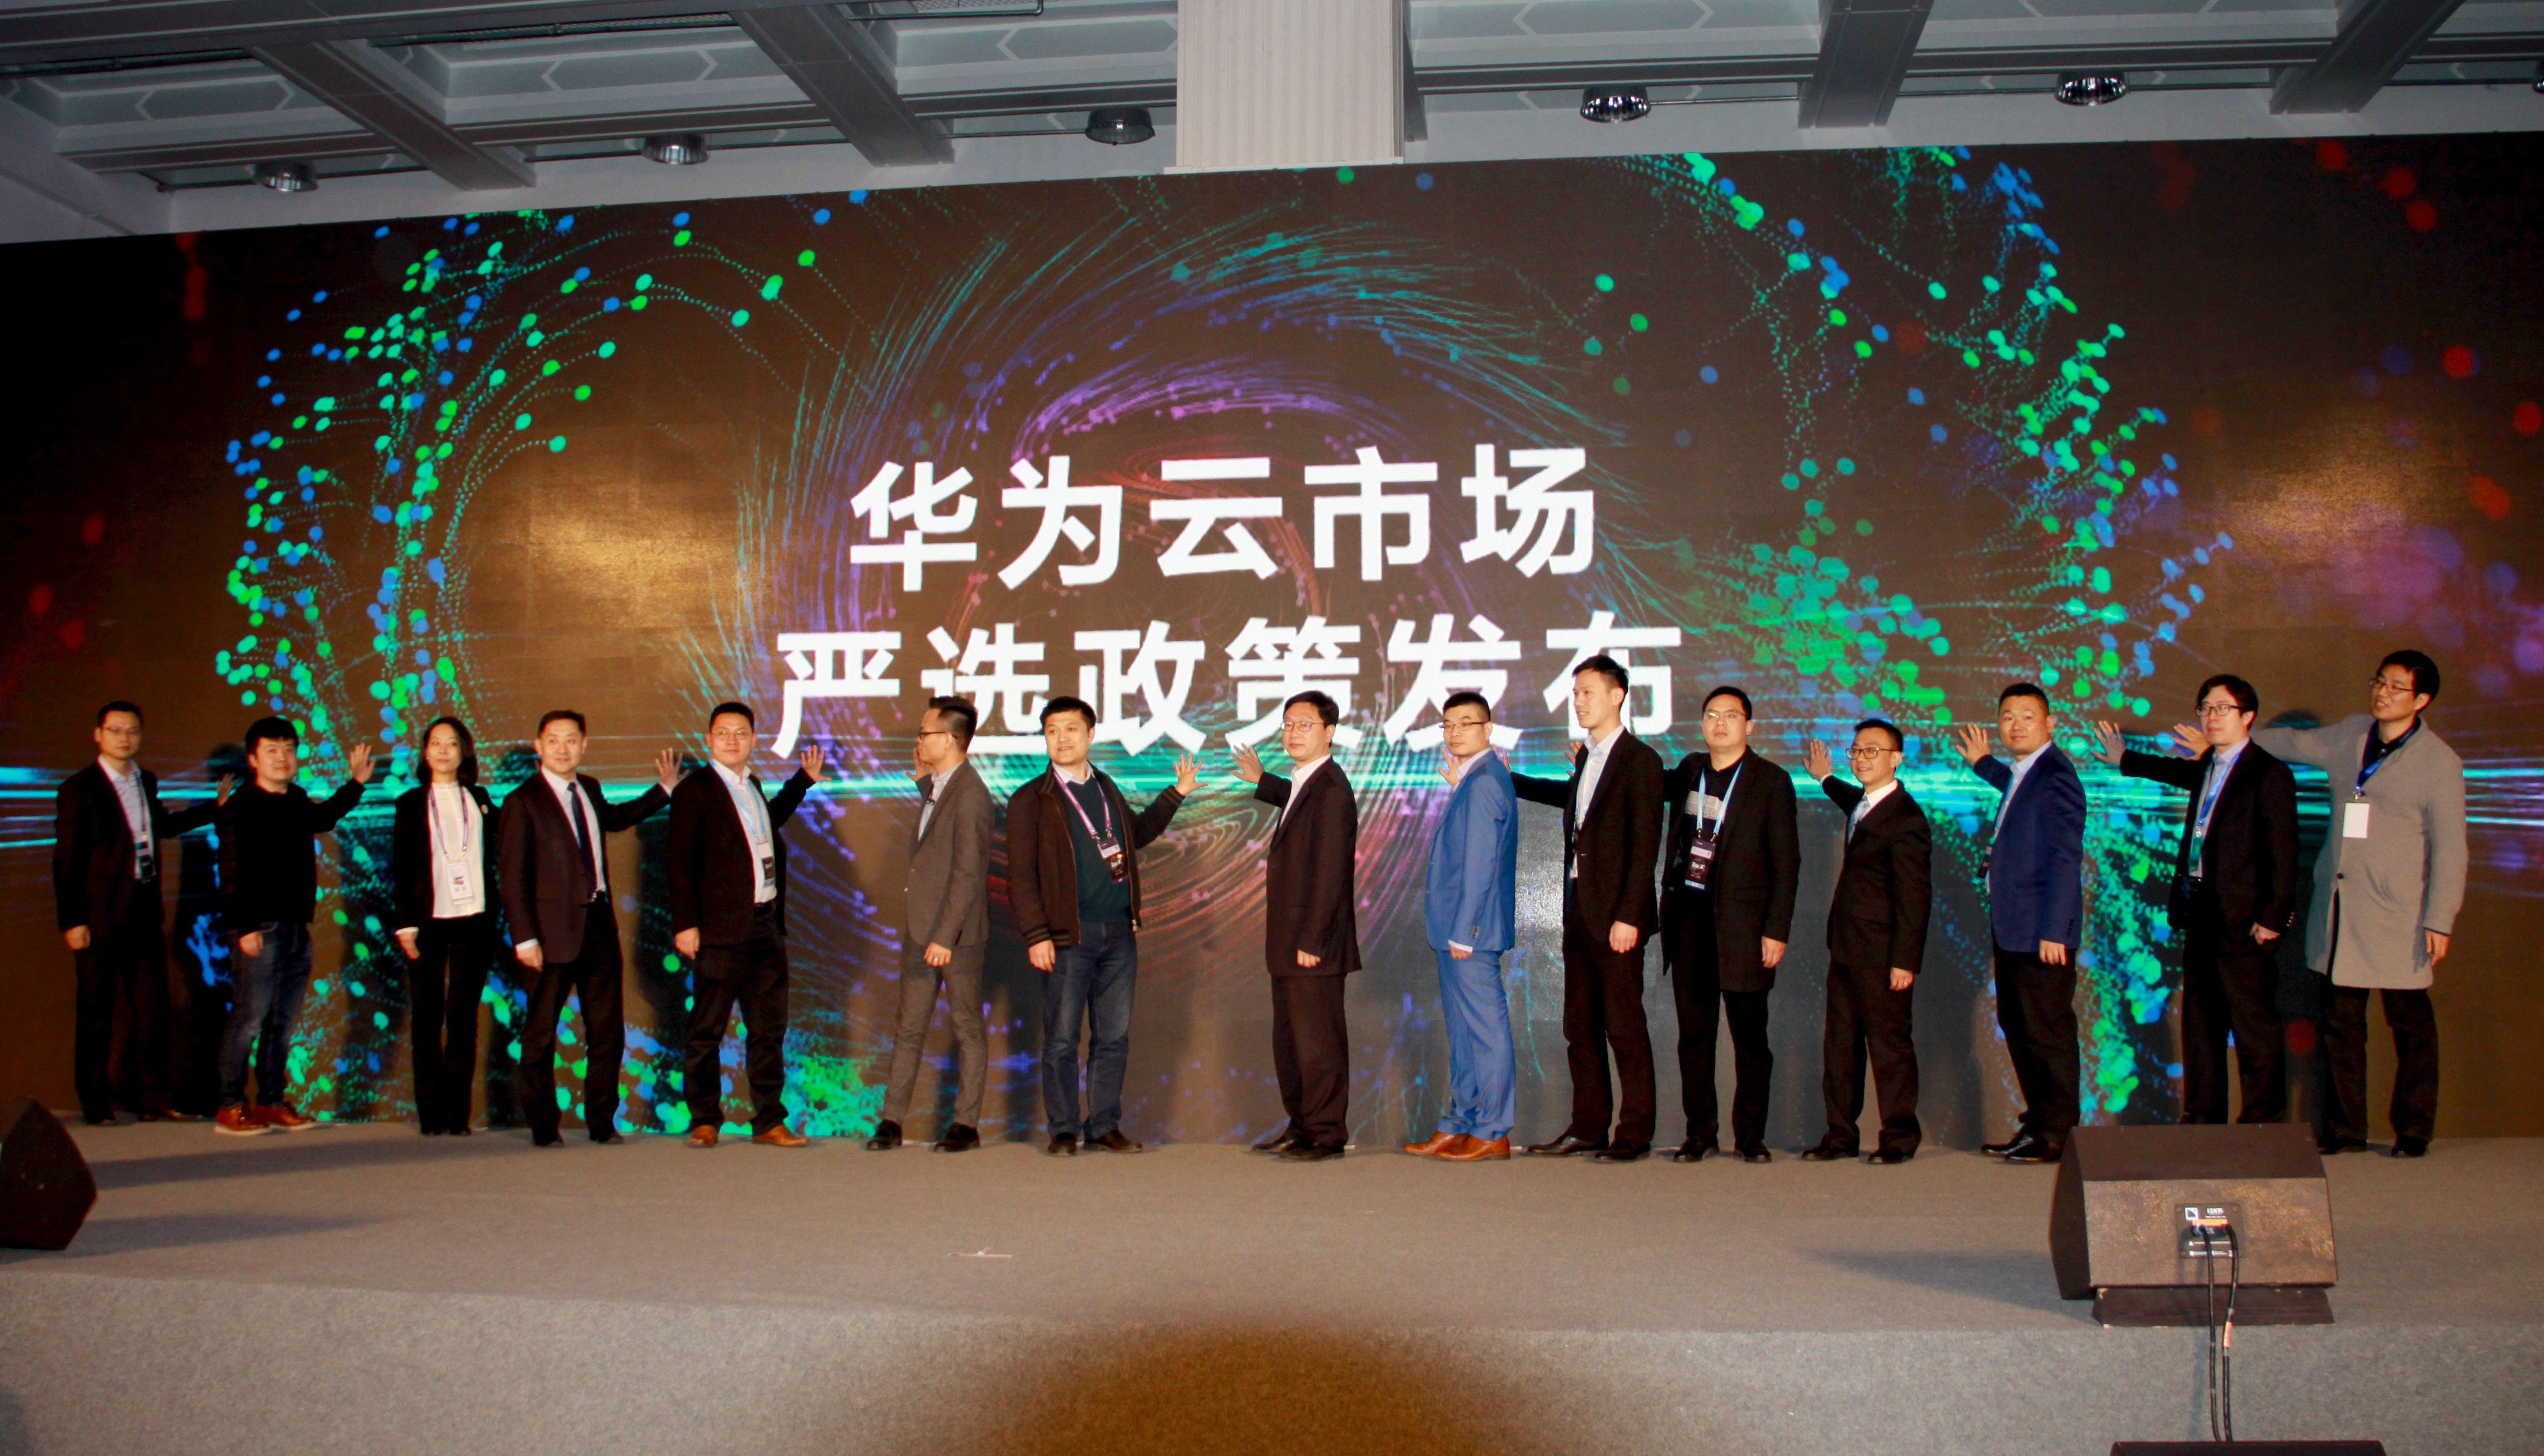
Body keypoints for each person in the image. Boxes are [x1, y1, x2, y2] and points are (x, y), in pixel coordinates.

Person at [2250, 651, 2465, 1158]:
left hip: (2399, 912)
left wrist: (2440, 920)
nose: (2383, 693)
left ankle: (2414, 1129)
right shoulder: (2352, 735)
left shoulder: (2439, 763)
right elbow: (2295, 743)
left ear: (2421, 699)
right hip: (2340, 904)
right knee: (2341, 1025)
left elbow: (2451, 850)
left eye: (2396, 687)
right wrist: (2236, 739)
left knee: (2410, 1025)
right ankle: (2346, 1129)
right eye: (2380, 682)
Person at [2093, 676, 2299, 1125]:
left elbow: (2285, 855)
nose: (2211, 716)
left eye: (2223, 708)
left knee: (2253, 1025)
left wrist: (2273, 918)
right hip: (2200, 910)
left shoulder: (2268, 773)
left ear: (2248, 716)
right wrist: (2125, 759)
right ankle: (2203, 1114)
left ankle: (2263, 1121)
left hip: (2246, 920)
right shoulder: (2208, 764)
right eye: (2205, 708)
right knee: (2201, 1022)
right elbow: (2176, 772)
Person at [1006, 696, 1197, 1157]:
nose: (1062, 739)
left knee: (1113, 1037)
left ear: (1091, 735)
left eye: (1071, 729)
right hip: (1067, 936)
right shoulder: (1031, 799)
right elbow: (1021, 876)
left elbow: (1137, 835)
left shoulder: (1106, 787)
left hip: (1118, 932)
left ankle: (1104, 1125)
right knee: (1062, 1038)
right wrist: (1037, 934)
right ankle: (1063, 1130)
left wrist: (1176, 794)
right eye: (1052, 731)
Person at [1511, 654, 1665, 1162]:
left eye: (1588, 692)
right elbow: (1571, 804)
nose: (1578, 701)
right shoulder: (1588, 760)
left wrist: (1630, 916)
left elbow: (1645, 846)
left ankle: (1634, 1134)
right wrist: (1513, 780)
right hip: (1579, 910)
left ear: (1617, 696)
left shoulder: (1640, 761)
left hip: (1618, 918)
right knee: (1579, 1028)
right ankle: (1588, 1127)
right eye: (1575, 693)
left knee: (1624, 1028)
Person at [497, 710, 676, 1148]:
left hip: (598, 924)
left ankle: (601, 1122)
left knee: (607, 1032)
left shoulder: (589, 788)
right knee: (540, 1035)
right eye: (553, 740)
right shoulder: (522, 801)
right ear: (539, 746)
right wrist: (525, 937)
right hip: (548, 933)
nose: (563, 748)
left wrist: (663, 792)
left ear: (584, 745)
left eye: (571, 740)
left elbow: (614, 819)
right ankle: (544, 1126)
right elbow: (512, 877)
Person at [51, 701, 225, 1126]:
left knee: (152, 1011)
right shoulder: (79, 789)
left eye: (132, 731)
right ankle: (95, 1101)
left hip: (144, 912)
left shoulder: (145, 780)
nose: (124, 738)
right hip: (99, 917)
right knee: (96, 1012)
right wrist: (72, 921)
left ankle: (153, 1098)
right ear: (99, 735)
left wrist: (213, 808)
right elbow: (67, 861)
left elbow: (162, 826)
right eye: (115, 730)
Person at [666, 701, 822, 1150]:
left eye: (741, 733)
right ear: (708, 740)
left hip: (765, 925)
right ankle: (705, 1120)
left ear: (754, 740)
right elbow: (678, 862)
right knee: (707, 1031)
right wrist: (686, 924)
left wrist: (801, 782)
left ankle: (769, 1120)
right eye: (723, 733)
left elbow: (766, 827)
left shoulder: (751, 784)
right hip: (719, 931)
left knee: (768, 1030)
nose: (732, 740)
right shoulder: (695, 790)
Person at [213, 716, 374, 1136]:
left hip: (295, 926)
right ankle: (230, 1106)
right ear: (253, 759)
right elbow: (231, 871)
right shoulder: (241, 807)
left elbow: (323, 819)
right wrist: (245, 926)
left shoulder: (297, 798)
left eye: (289, 749)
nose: (282, 758)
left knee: (282, 1022)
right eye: (272, 750)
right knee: (249, 1019)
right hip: (259, 928)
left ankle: (270, 1101)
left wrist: (355, 784)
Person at [1658, 686, 1799, 1164]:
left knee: (1751, 1041)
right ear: (1702, 723)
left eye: (1731, 715)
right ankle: (1700, 1134)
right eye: (1712, 715)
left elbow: (1786, 862)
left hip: (1745, 929)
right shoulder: (1689, 771)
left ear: (1749, 726)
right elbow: (1640, 787)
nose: (1720, 723)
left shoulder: (1771, 781)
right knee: (1694, 1039)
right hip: (1689, 923)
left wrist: (1776, 929)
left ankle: (1751, 1136)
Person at [1956, 684, 2087, 1164]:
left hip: (2041, 932)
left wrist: (2056, 929)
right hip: (2014, 927)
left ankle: (2058, 1134)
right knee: (2020, 1025)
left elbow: (2066, 857)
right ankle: (2037, 1124)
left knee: (2047, 1031)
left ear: (2050, 723)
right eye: (2007, 717)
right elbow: (2014, 792)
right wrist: (1982, 764)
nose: (2015, 725)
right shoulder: (2024, 772)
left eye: (2027, 717)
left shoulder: (2057, 775)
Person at [1233, 691, 1362, 1162]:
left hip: (1313, 946)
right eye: (1288, 724)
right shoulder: (1306, 783)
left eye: (1305, 724)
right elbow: (1293, 803)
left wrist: (1313, 940)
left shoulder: (1332, 790)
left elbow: (1331, 873)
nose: (1293, 732)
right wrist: (1262, 780)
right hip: (1289, 943)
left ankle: (1326, 1134)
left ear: (1330, 732)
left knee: (1318, 1044)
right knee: (1291, 1042)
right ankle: (1301, 1126)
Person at [1802, 721, 1932, 1164]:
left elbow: (1915, 899)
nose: (1861, 758)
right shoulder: (1863, 801)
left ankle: (1899, 1138)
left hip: (1883, 955)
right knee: (1840, 1047)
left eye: (1873, 751)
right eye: (1857, 751)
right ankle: (1840, 1136)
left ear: (1897, 759)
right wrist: (1824, 778)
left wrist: (1905, 961)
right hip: (1846, 948)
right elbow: (1851, 800)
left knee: (1889, 1049)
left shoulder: (1907, 819)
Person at [872, 696, 994, 1154]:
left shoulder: (972, 794)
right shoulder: (941, 785)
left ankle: (966, 1124)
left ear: (950, 739)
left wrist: (945, 937)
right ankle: (891, 1121)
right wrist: (925, 784)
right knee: (909, 1029)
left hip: (955, 938)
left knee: (966, 1029)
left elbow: (968, 873)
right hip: (920, 929)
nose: (919, 741)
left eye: (925, 734)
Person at [1402, 691, 1519, 1162]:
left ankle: (1492, 1130)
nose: (1454, 732)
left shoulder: (1486, 781)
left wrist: (1465, 930)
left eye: (1466, 723)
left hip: (1471, 933)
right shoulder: (1474, 779)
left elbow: (1480, 865)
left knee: (1485, 1033)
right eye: (1448, 725)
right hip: (1457, 931)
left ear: (1488, 729)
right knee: (1464, 1034)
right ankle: (1463, 1122)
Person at [390, 717, 499, 1136]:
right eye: (435, 743)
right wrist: (405, 924)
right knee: (427, 1017)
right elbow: (401, 867)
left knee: (463, 1018)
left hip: (475, 920)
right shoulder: (410, 803)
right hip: (426, 923)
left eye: (451, 744)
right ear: (425, 753)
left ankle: (458, 1115)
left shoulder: (480, 798)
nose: (443, 751)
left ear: (464, 752)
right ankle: (430, 1114)